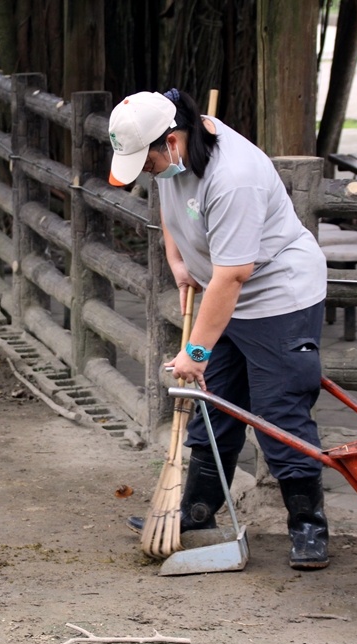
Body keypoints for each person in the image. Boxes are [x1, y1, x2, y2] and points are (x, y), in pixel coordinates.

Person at [107, 89, 330, 570]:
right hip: (221, 293)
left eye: (146, 161)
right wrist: (178, 258)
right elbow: (169, 203)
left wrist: (196, 351)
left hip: (276, 298)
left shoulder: (234, 178)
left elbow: (233, 275)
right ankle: (198, 511)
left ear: (172, 139)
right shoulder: (173, 157)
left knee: (278, 411)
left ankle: (308, 525)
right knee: (215, 406)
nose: (147, 171)